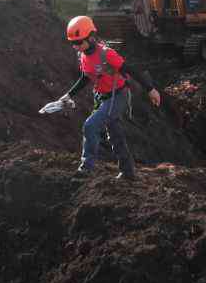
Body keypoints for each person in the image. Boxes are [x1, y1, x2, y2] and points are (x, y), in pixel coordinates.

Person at [57, 16, 160, 180]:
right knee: (115, 135)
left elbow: (131, 69)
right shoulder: (83, 56)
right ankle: (128, 172)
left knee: (90, 126)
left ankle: (86, 169)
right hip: (101, 98)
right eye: (73, 43)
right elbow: (86, 78)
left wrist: (151, 89)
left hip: (118, 96)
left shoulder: (106, 54)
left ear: (91, 37)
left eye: (79, 42)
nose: (76, 46)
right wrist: (68, 95)